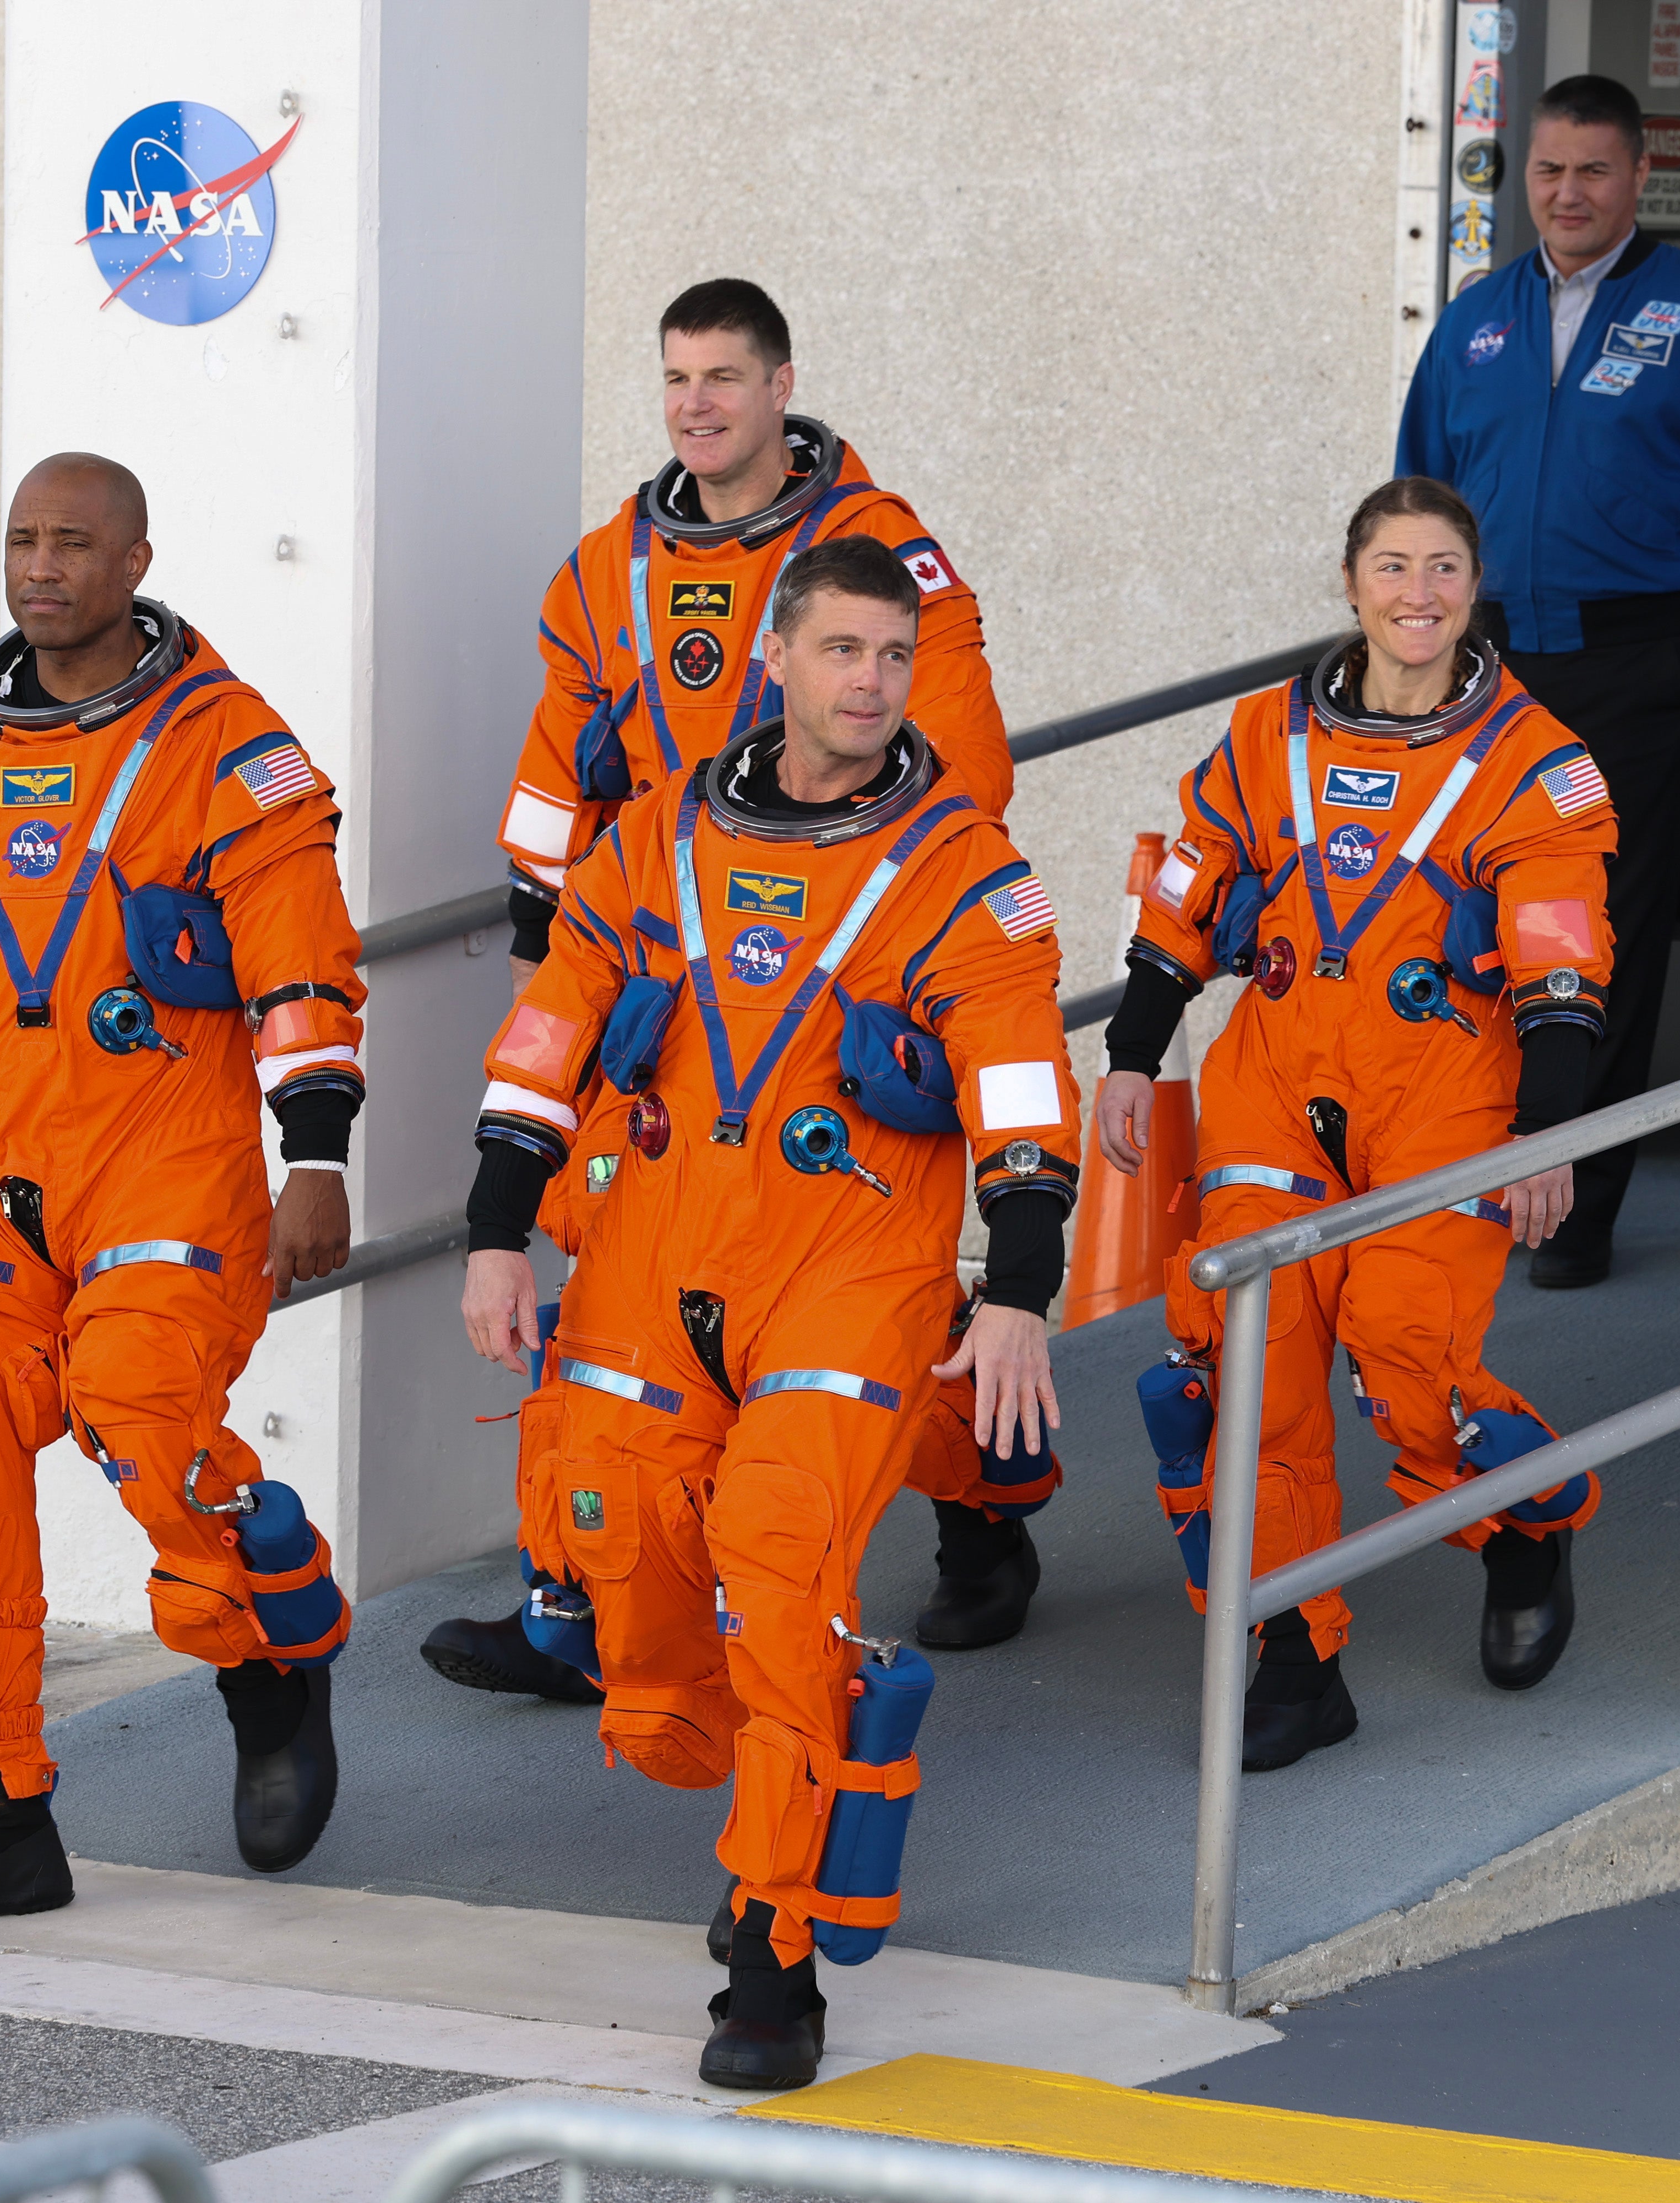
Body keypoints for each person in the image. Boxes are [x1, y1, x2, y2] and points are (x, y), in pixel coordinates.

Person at [458, 535, 1078, 2087]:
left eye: (895, 657)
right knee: (635, 1604)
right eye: (845, 651)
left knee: (779, 1566)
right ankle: (812, 1745)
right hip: (657, 1261)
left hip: (850, 1270)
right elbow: (550, 1033)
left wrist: (1018, 1291)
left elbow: (1017, 1086)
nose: (872, 682)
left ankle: (773, 1942)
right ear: (780, 661)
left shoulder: (967, 870)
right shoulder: (658, 838)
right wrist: (494, 1231)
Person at [0, 453, 367, 1930]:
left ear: (136, 558)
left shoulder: (231, 749)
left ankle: (270, 1665)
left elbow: (300, 961)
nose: (41, 567)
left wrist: (321, 1156)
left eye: (74, 543)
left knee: (143, 1402)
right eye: (22, 539)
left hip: (164, 1151)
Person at [426, 278, 1049, 1706]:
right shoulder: (603, 570)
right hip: (654, 968)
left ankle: (985, 1493)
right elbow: (549, 775)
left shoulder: (881, 558)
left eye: (724, 378)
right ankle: (570, 1588)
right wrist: (555, 961)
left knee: (847, 1310)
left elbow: (967, 766)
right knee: (593, 1276)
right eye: (677, 380)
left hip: (833, 971)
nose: (698, 405)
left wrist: (873, 927)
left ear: (781, 388)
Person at [1096, 478, 1614, 1770]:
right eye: (1393, 566)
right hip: (1275, 1078)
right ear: (1350, 582)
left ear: (1474, 586)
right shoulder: (1267, 734)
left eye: (1444, 568)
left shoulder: (1532, 760)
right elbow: (1187, 892)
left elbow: (1561, 950)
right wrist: (1129, 1055)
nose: (1418, 594)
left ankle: (1522, 1523)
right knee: (1245, 1358)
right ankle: (1293, 1648)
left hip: (1445, 1089)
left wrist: (1546, 1131)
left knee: (1407, 1344)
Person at [1395, 73, 1680, 1287]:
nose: (1565, 193)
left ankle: (1574, 1200)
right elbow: (1420, 493)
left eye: (1591, 171)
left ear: (1637, 178)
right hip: (1484, 666)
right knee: (1461, 914)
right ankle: (1464, 1168)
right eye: (1546, 170)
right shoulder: (1476, 321)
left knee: (1596, 931)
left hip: (1635, 665)